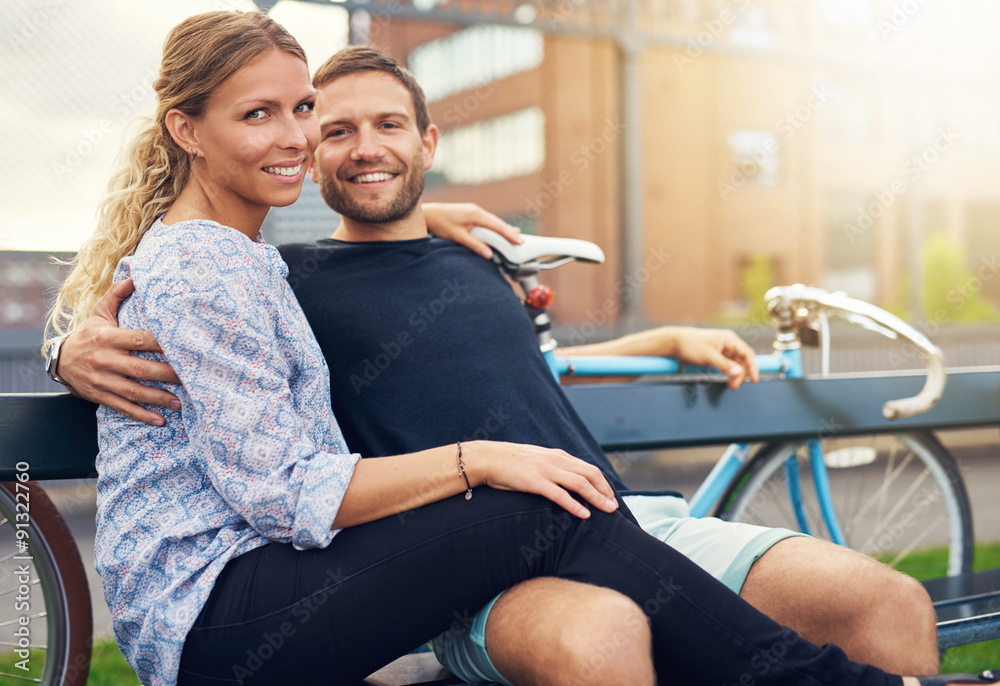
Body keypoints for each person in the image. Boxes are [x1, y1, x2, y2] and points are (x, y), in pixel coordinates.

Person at [49, 16, 994, 686]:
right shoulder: (266, 271)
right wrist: (68, 347)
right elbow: (267, 465)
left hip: (575, 520)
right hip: (304, 587)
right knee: (555, 546)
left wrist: (648, 337)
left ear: (428, 141)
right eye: (292, 119)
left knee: (886, 606)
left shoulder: (434, 257)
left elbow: (495, 374)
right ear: (187, 128)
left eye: (305, 110)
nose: (308, 138)